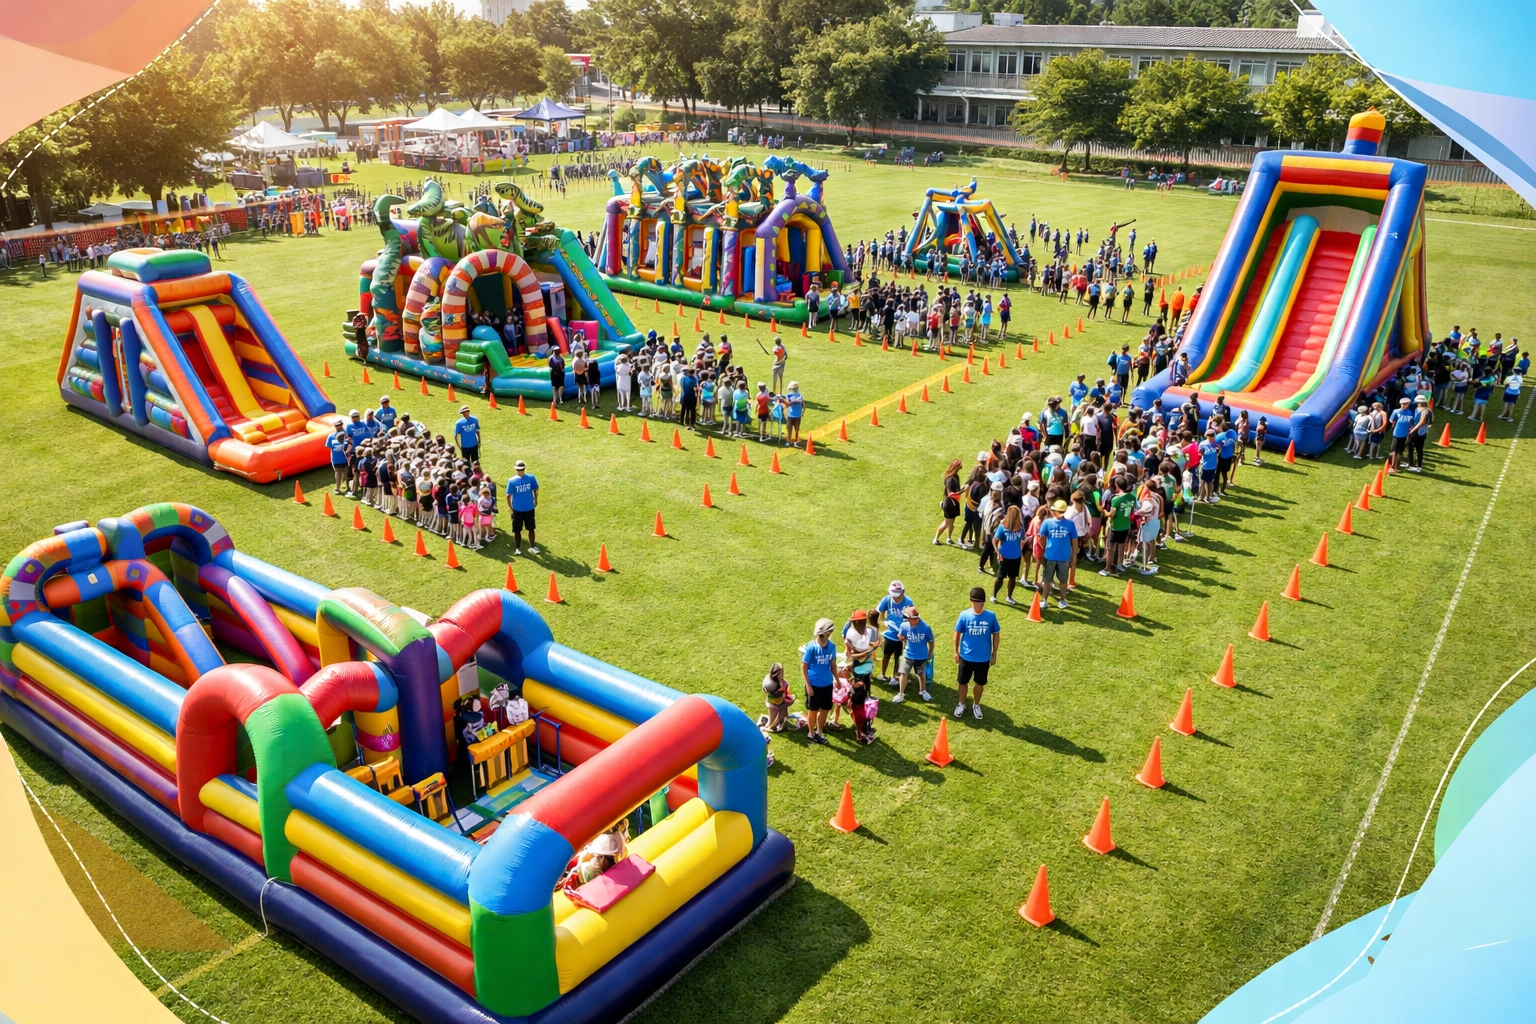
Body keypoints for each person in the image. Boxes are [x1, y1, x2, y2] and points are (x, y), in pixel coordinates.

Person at [953, 586, 1000, 720]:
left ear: (983, 602)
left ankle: (976, 704)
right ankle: (961, 704)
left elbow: (996, 634)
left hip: (983, 658)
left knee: (980, 683)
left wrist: (994, 654)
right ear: (970, 601)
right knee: (962, 682)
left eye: (979, 602)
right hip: (965, 656)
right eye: (975, 602)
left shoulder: (990, 616)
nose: (977, 605)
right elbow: (956, 634)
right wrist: (956, 652)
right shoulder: (964, 615)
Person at [801, 618, 838, 745]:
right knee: (813, 711)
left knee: (825, 709)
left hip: (827, 684)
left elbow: (833, 664)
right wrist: (808, 685)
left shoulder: (832, 646)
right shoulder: (811, 648)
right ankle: (811, 733)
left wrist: (837, 680)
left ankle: (819, 732)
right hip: (814, 685)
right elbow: (804, 666)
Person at [1038, 499, 1078, 609]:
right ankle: (1044, 599)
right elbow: (1041, 538)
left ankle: (1062, 599)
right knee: (1047, 580)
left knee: (1063, 580)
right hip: (1051, 557)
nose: (1052, 511)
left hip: (1063, 558)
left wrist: (1074, 556)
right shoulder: (1047, 522)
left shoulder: (1070, 524)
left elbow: (1074, 541)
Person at [876, 581, 913, 682]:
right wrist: (883, 622)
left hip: (902, 634)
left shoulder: (908, 602)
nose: (895, 598)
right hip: (890, 634)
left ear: (903, 592)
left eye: (897, 595)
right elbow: (878, 611)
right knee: (886, 654)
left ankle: (896, 674)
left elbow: (912, 617)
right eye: (893, 595)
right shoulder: (887, 599)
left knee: (899, 655)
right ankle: (882, 674)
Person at [895, 606, 933, 703]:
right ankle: (901, 694)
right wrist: (901, 638)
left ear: (914, 618)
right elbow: (903, 637)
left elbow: (931, 642)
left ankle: (923, 691)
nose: (907, 619)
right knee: (903, 673)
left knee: (921, 674)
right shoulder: (904, 625)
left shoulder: (926, 628)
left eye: (908, 617)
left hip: (921, 656)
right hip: (908, 654)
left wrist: (929, 653)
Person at [991, 506, 1025, 604]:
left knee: (1012, 577)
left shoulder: (1021, 526)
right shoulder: (1003, 527)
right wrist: (998, 553)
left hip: (1016, 556)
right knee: (1000, 577)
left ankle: (1009, 597)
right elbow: (994, 540)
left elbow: (1022, 539)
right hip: (1004, 556)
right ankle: (994, 595)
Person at [506, 459, 539, 554]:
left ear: (516, 469)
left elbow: (508, 495)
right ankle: (533, 546)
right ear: (524, 468)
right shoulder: (531, 478)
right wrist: (535, 500)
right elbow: (536, 489)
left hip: (517, 509)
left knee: (517, 530)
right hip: (529, 507)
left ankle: (518, 549)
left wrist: (510, 507)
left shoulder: (512, 481)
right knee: (531, 528)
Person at [934, 458, 962, 545]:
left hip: (954, 503)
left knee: (952, 522)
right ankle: (936, 539)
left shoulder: (956, 476)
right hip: (950, 503)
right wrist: (962, 492)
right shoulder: (950, 478)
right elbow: (950, 494)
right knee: (947, 522)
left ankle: (949, 538)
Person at [762, 662, 791, 732]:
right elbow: (767, 690)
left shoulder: (780, 680)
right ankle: (770, 727)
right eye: (781, 673)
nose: (782, 674)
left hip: (781, 701)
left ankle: (780, 723)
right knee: (772, 720)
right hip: (773, 703)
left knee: (784, 716)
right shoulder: (771, 684)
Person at [326, 418, 350, 494]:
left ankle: (348, 487)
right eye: (337, 425)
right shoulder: (331, 437)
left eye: (340, 425)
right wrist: (332, 459)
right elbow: (330, 448)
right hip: (337, 459)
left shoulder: (347, 434)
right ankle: (337, 488)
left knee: (347, 473)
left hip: (347, 458)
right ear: (335, 426)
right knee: (338, 473)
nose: (339, 427)